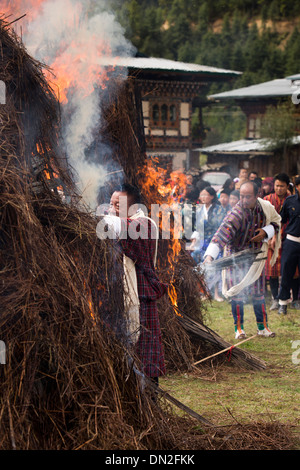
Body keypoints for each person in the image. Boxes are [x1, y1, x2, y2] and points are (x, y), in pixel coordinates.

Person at [97, 183, 167, 385]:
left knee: (145, 353)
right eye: (111, 204)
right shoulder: (113, 224)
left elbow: (123, 228)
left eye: (118, 205)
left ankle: (150, 401)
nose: (111, 209)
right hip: (117, 295)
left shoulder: (143, 224)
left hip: (141, 295)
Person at [204, 181, 281, 339]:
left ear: (257, 195)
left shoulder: (264, 207)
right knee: (237, 292)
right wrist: (210, 256)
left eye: (248, 197)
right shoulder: (236, 213)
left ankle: (262, 327)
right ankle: (239, 329)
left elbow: (276, 222)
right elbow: (222, 233)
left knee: (259, 293)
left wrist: (265, 232)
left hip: (256, 256)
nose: (244, 200)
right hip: (236, 258)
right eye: (241, 196)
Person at [264, 173, 291, 311]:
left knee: (290, 270)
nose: (279, 188)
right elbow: (262, 221)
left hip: (287, 239)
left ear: (287, 186)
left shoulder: (291, 200)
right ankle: (275, 298)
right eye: (276, 186)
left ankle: (287, 298)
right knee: (272, 270)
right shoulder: (267, 200)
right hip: (270, 240)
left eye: (282, 186)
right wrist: (268, 237)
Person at [277, 176, 300, 314]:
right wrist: (275, 236)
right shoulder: (290, 201)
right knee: (286, 272)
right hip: (291, 241)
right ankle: (282, 303)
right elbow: (281, 220)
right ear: (297, 187)